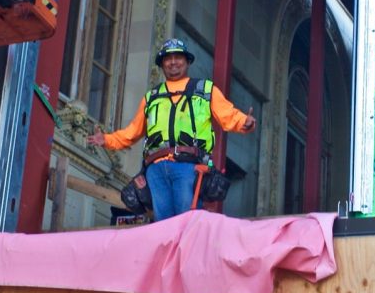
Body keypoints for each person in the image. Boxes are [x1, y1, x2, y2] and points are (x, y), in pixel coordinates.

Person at [87, 39, 256, 221]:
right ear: (162, 65)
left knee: (186, 221)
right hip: (156, 168)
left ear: (187, 62)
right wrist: (107, 140)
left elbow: (228, 115)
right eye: (168, 59)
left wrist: (244, 122)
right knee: (163, 224)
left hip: (189, 166)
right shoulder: (151, 98)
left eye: (178, 57)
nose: (173, 62)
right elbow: (132, 132)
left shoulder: (205, 90)